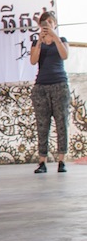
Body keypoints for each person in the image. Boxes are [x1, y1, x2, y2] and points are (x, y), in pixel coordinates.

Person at [30, 10, 70, 173]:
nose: (47, 26)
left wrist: (55, 37)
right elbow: (33, 61)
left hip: (59, 84)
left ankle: (61, 160)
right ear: (40, 26)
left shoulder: (61, 40)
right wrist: (40, 41)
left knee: (62, 123)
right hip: (41, 87)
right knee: (42, 125)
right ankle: (42, 161)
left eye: (50, 23)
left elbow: (65, 55)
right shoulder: (36, 41)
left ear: (55, 24)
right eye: (44, 23)